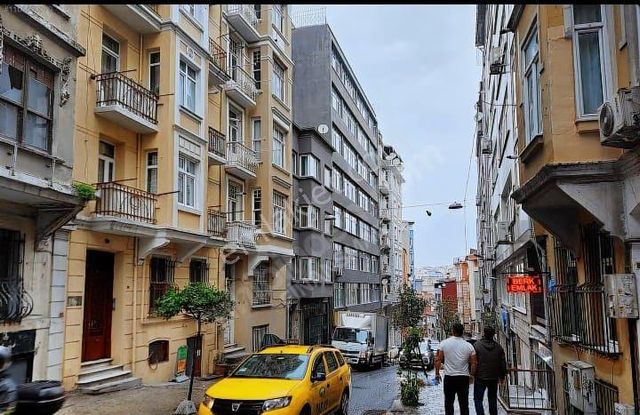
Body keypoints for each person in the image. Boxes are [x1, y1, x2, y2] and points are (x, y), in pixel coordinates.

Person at [434, 323, 477, 415]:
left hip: (449, 377)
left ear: (453, 331)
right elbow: (474, 362)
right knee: (464, 403)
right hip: (463, 377)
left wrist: (437, 374)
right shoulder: (469, 346)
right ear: (462, 332)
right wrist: (472, 375)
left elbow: (438, 360)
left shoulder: (444, 343)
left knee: (448, 403)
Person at [473, 326, 507, 415]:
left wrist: (472, 373)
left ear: (484, 333)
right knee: (492, 399)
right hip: (493, 377)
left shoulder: (477, 346)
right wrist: (502, 377)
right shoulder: (498, 347)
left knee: (478, 399)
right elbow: (502, 363)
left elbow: (473, 361)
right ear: (493, 335)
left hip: (480, 377)